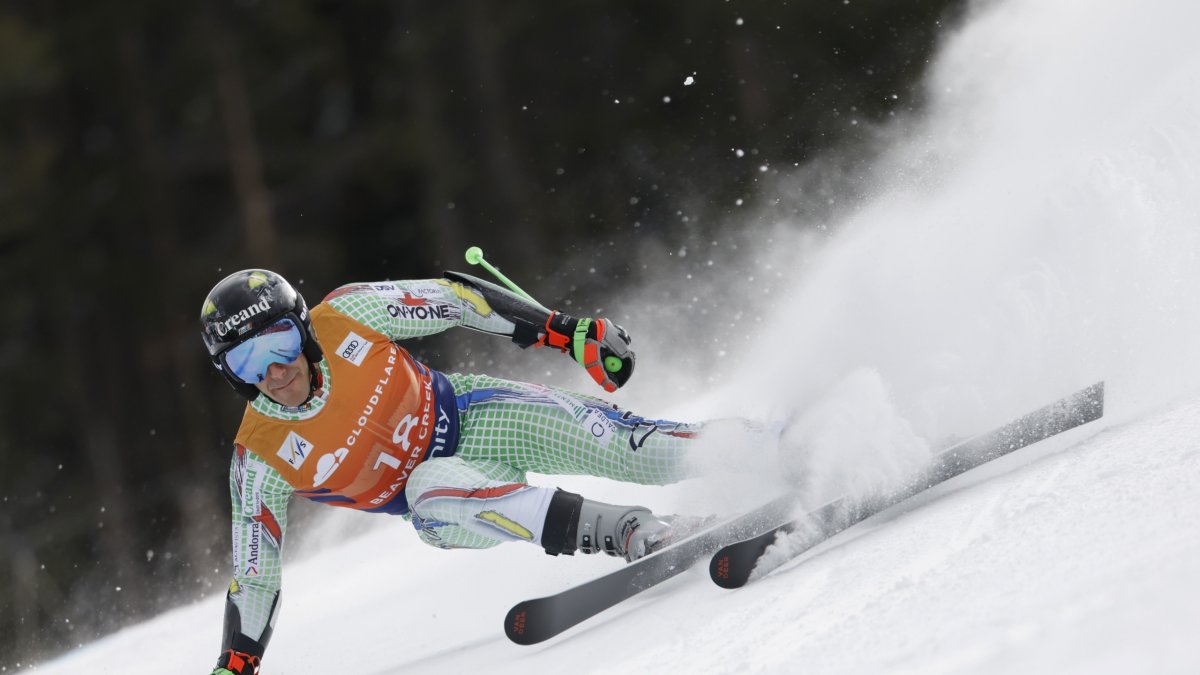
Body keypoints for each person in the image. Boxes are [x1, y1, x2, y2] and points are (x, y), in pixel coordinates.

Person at [200, 268, 733, 675]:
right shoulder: (260, 455)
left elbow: (455, 300)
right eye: (246, 363)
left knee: (635, 448)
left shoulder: (347, 315)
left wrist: (566, 333)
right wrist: (233, 666)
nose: (272, 371)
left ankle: (773, 443)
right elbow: (254, 576)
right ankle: (634, 531)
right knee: (429, 488)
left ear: (304, 329)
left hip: (477, 414)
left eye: (280, 343)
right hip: (443, 512)